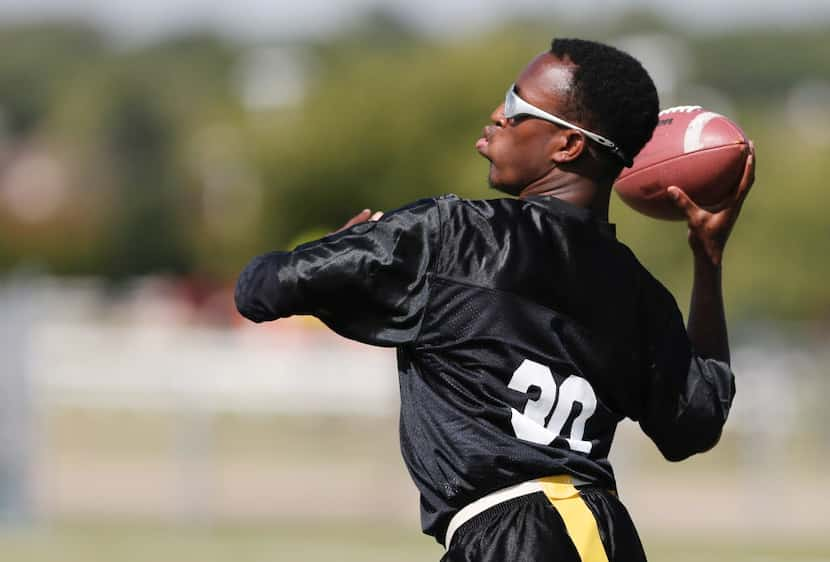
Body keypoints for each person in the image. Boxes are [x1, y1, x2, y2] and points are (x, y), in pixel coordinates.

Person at [234, 37, 755, 561]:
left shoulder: (453, 237)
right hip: (581, 535)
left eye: (515, 105)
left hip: (522, 537)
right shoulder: (640, 293)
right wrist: (707, 261)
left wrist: (337, 251)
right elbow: (695, 424)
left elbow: (260, 289)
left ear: (569, 146)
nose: (496, 114)